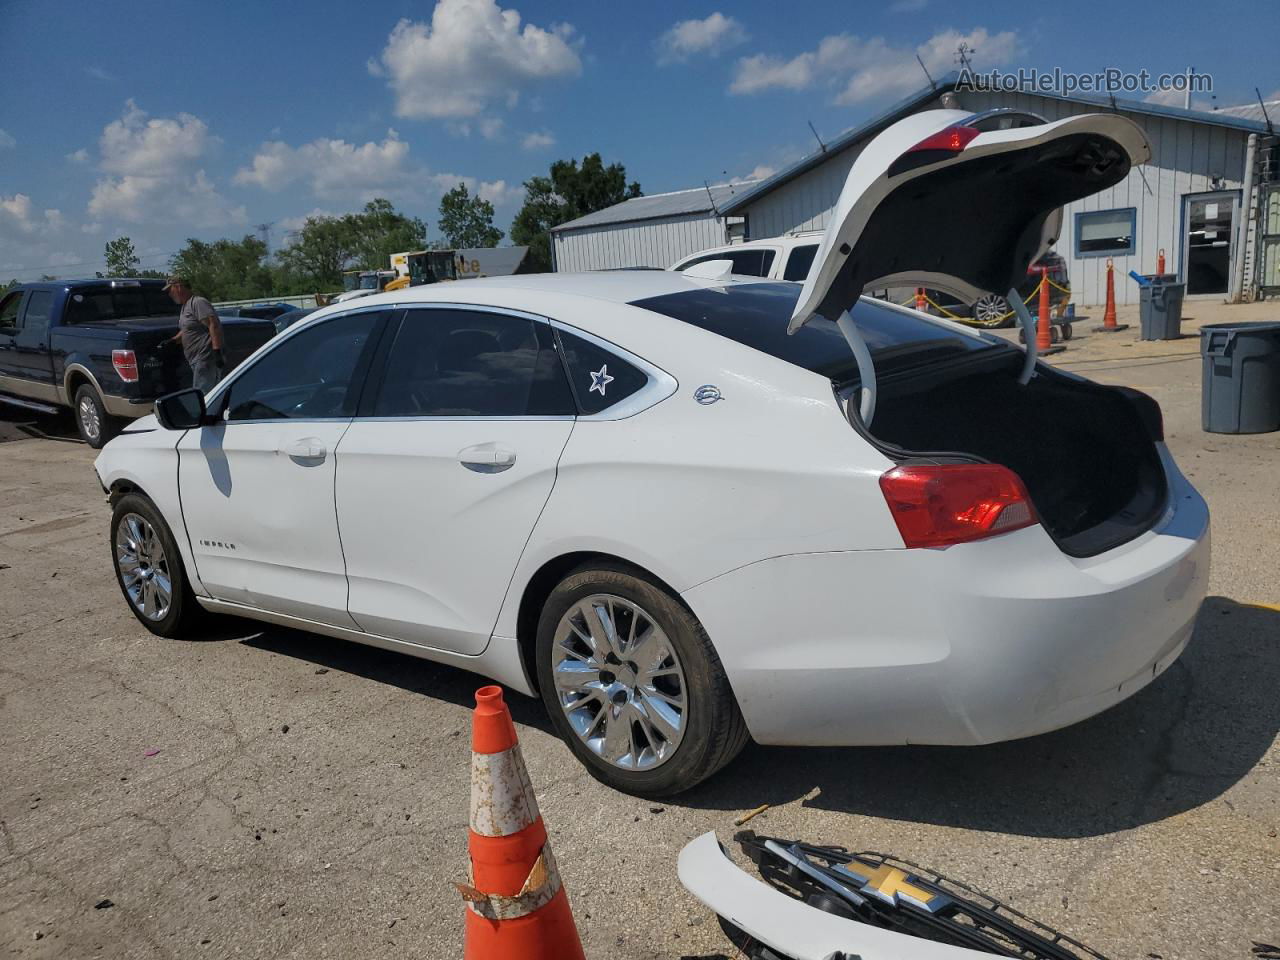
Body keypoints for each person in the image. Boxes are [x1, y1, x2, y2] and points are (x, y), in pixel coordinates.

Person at [163, 276, 226, 393]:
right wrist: (173, 341)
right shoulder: (185, 307)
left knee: (203, 395)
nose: (170, 295)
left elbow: (213, 325)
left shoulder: (198, 302)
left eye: (170, 290)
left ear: (179, 287)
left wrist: (217, 352)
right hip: (196, 361)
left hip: (206, 359)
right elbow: (188, 329)